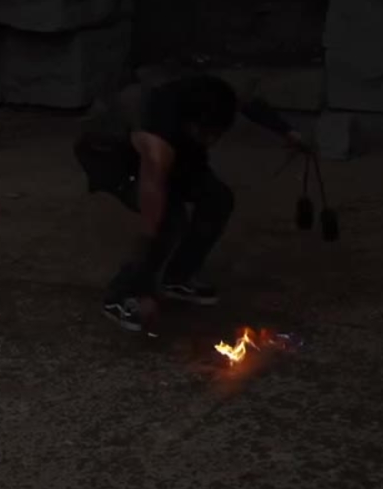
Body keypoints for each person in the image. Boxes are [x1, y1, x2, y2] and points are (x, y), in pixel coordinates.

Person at [74, 68, 308, 332]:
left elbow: (248, 102)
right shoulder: (156, 139)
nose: (213, 142)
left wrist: (287, 131)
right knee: (169, 219)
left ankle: (178, 277)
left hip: (176, 140)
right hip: (110, 154)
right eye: (207, 135)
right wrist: (143, 288)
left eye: (217, 134)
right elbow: (151, 223)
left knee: (217, 198)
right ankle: (120, 296)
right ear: (191, 124)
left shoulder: (216, 95)